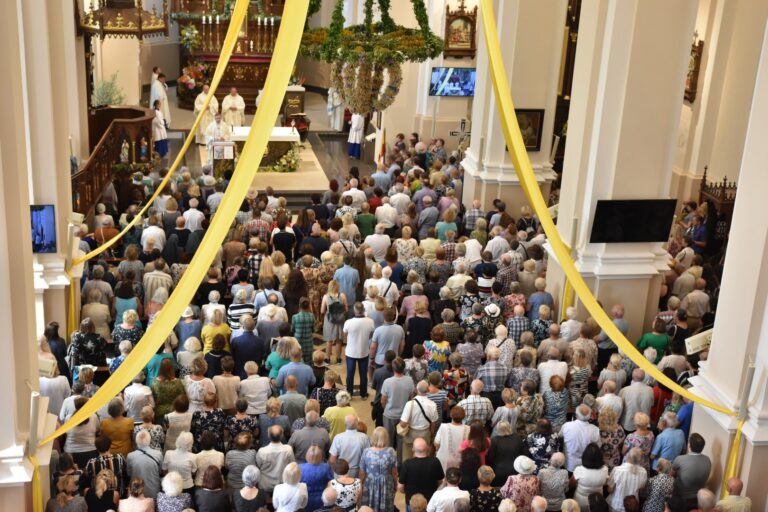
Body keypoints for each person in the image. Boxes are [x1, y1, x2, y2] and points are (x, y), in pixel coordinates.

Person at [359, 427, 397, 511]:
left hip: (370, 483)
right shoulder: (391, 451)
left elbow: (362, 472)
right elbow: (394, 472)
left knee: (369, 506)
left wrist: (360, 484)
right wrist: (395, 484)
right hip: (386, 483)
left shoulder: (367, 452)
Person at [343, 302, 375, 398]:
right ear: (363, 310)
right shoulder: (370, 321)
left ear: (354, 310)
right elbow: (371, 335)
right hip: (364, 351)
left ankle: (349, 394)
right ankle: (363, 394)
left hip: (351, 352)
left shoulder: (348, 322)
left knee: (350, 374)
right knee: (363, 374)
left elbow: (345, 335)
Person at [671, 433, 711, 506]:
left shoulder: (680, 459)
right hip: (699, 499)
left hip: (681, 498)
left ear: (689, 445)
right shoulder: (707, 460)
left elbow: (670, 475)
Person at [255, 425, 296, 494]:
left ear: (268, 435)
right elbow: (292, 464)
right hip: (282, 484)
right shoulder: (288, 449)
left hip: (266, 485)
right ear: (282, 436)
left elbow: (258, 466)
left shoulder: (262, 451)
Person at [606, 448, 648, 512]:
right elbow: (641, 491)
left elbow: (610, 490)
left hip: (616, 505)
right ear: (641, 459)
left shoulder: (617, 470)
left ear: (628, 456)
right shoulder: (643, 472)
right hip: (632, 507)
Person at [561, 404, 600, 472]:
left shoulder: (567, 426)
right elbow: (598, 446)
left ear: (576, 415)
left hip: (570, 464)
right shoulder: (595, 430)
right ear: (590, 416)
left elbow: (560, 437)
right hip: (586, 465)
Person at [572, 443, 609, 511]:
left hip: (581, 501)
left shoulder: (579, 470)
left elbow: (571, 484)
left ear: (585, 457)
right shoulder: (605, 469)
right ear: (600, 457)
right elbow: (605, 483)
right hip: (597, 501)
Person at [126, 430, 162, 498]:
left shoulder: (130, 456)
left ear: (136, 441)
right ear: (149, 440)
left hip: (136, 493)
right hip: (153, 492)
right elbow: (159, 471)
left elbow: (129, 473)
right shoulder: (158, 454)